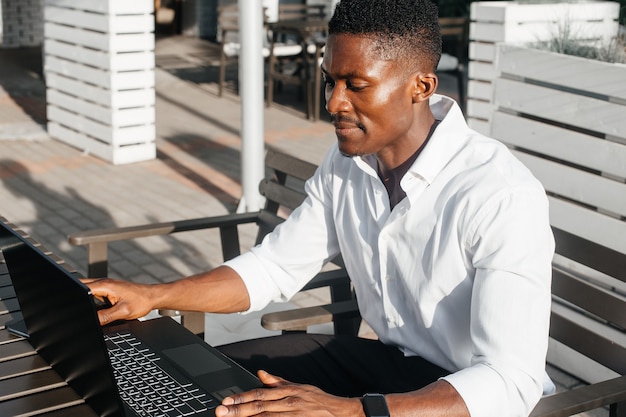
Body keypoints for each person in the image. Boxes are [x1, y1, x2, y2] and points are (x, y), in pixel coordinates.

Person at [85, 0, 556, 416]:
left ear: (421, 86)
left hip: (464, 398)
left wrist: (348, 411)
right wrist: (153, 296)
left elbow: (509, 381)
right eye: (331, 80)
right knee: (214, 379)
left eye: (356, 85)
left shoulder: (499, 194)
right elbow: (273, 268)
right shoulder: (348, 163)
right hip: (392, 365)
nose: (333, 102)